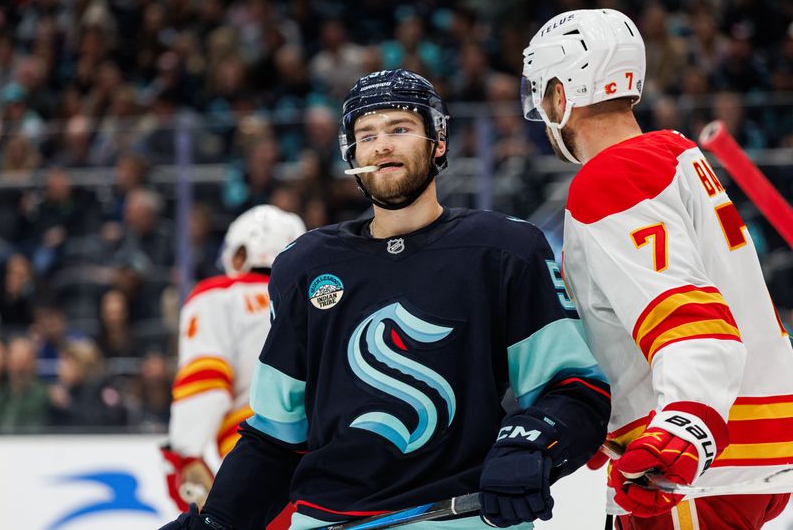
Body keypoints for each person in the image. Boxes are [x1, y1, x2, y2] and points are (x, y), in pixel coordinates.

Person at [160, 69, 611, 530]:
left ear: (438, 141)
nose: (382, 145)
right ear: (350, 152)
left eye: (400, 128)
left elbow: (576, 390)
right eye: (367, 134)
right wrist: (217, 521)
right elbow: (276, 438)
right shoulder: (305, 265)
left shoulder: (503, 251)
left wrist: (533, 446)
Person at [520, 9, 793, 530]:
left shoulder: (612, 176)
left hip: (690, 471)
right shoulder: (675, 154)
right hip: (743, 452)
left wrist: (683, 430)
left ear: (560, 94)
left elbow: (691, 319)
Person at [161, 205, 306, 520]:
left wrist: (186, 453)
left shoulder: (218, 296)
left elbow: (207, 380)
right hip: (328, 467)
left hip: (262, 462)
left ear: (240, 254)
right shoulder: (322, 297)